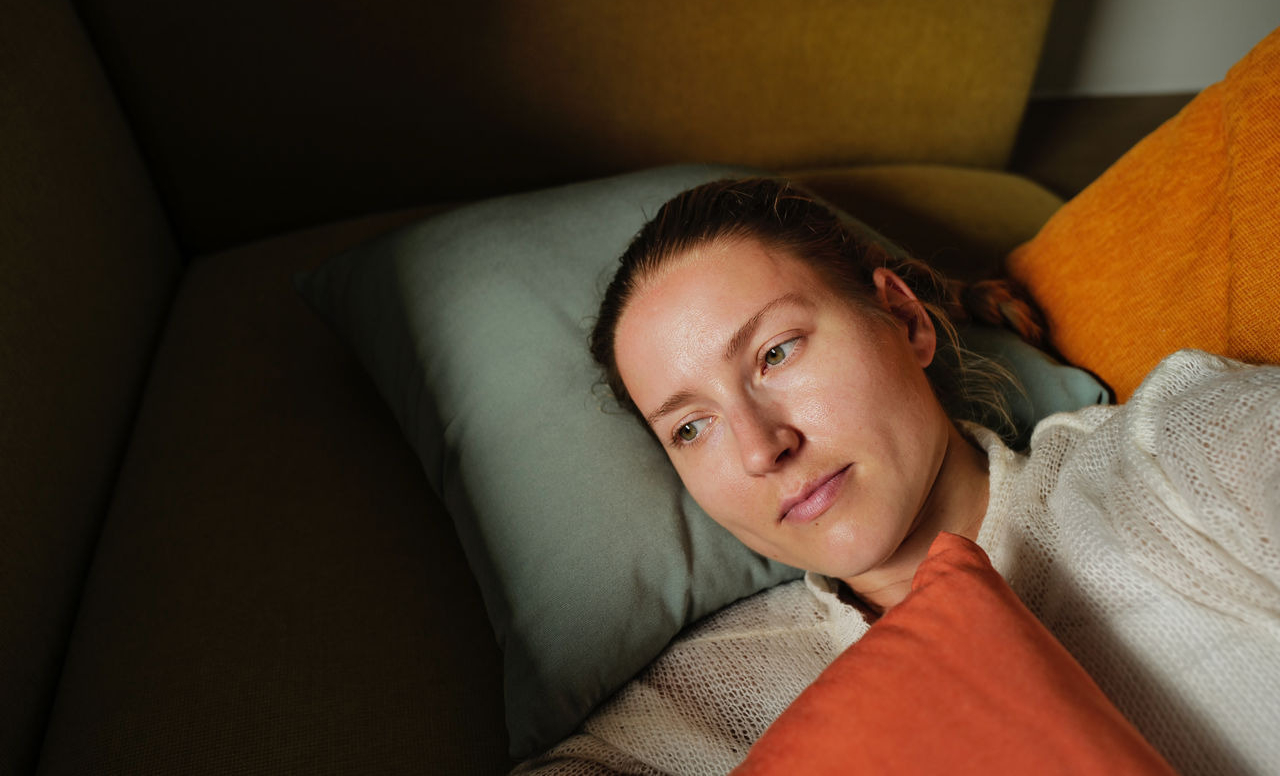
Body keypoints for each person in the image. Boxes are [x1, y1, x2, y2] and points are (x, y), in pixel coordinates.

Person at [515, 178, 1280, 776]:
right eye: (691, 426)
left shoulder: (1170, 455)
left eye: (776, 353)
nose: (760, 447)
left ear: (905, 320)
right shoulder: (694, 707)